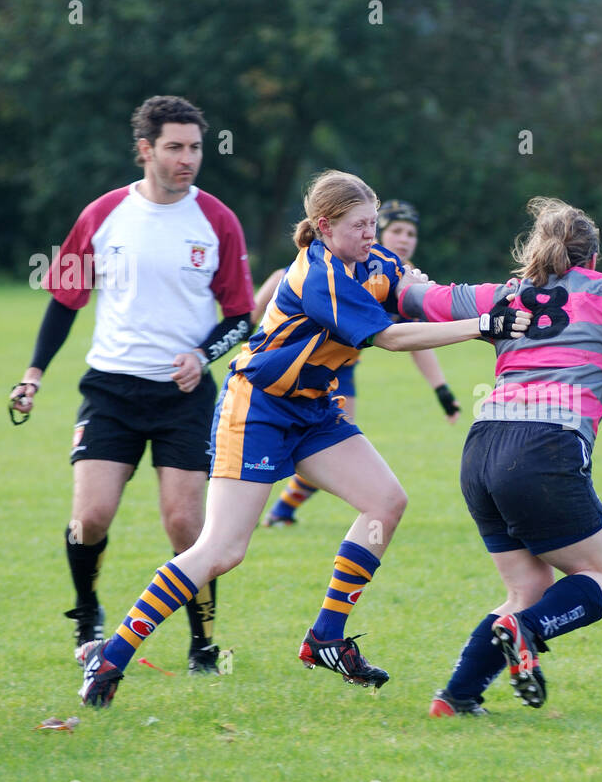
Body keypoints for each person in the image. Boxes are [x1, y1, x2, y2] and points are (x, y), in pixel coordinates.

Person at [73, 170, 529, 707]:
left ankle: (326, 638)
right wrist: (482, 326)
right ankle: (113, 654)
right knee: (221, 549)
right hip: (258, 409)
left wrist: (512, 295)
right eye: (359, 225)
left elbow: (419, 294)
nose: (370, 234)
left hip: (312, 411)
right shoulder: (320, 276)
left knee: (385, 502)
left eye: (373, 224)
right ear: (323, 227)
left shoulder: (375, 261)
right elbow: (388, 336)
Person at [396, 197, 602, 716]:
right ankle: (524, 633)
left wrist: (406, 276)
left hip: (482, 449)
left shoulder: (502, 295)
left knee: (528, 586)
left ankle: (458, 697)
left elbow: (415, 299)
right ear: (593, 257)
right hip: (544, 449)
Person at [9, 95, 254, 675]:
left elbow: (241, 317)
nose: (187, 159)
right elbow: (65, 300)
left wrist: (203, 355)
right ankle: (88, 614)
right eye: (174, 147)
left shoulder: (217, 220)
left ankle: (203, 643)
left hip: (186, 397)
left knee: (186, 524)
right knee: (90, 516)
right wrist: (33, 373)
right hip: (111, 390)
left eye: (194, 147)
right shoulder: (102, 215)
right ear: (146, 150)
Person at [258, 198, 461, 527]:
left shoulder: (396, 274)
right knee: (316, 448)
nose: (405, 238)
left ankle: (281, 510)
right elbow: (282, 280)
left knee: (337, 447)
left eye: (411, 233)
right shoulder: (336, 265)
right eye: (396, 230)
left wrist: (442, 390)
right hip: (287, 373)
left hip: (337, 368)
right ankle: (277, 508)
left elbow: (414, 337)